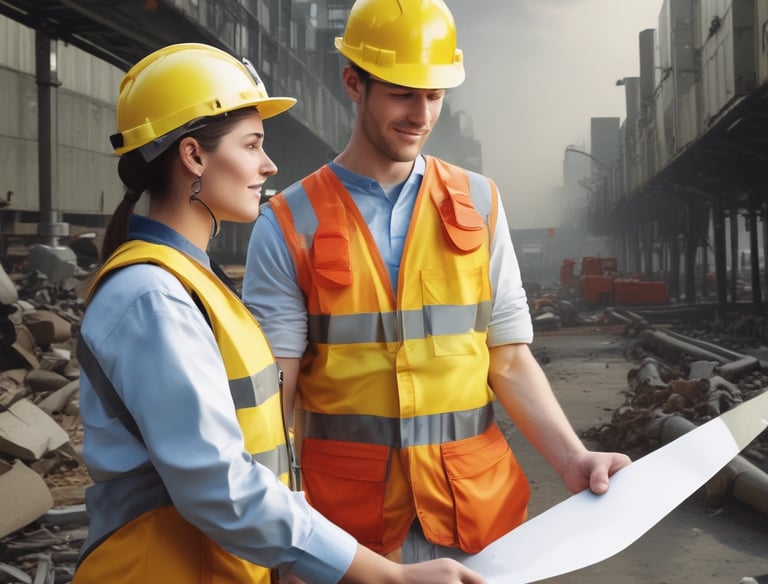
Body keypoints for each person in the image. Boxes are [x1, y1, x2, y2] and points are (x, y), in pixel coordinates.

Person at [74, 42, 483, 584]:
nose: (269, 164)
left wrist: (292, 553)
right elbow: (218, 486)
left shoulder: (190, 283)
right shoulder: (154, 298)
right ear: (194, 156)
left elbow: (255, 452)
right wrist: (388, 576)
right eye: (251, 145)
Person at [242, 0, 632, 565]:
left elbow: (509, 358)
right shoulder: (288, 223)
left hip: (476, 517)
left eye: (434, 95)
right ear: (355, 83)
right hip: (351, 534)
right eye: (402, 93)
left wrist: (574, 459)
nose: (421, 114)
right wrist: (284, 537)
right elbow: (276, 394)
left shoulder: (479, 202)